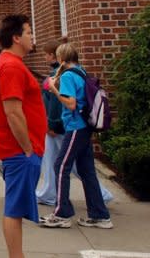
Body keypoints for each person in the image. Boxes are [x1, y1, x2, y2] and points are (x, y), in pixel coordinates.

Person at [0, 15, 47, 258]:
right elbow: (13, 112)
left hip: (19, 149)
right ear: (16, 38)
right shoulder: (11, 66)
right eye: (28, 32)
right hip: (20, 150)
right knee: (14, 209)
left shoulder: (8, 63)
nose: (32, 36)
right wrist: (27, 148)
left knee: (15, 207)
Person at [40, 43, 113, 229]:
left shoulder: (68, 76)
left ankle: (62, 214)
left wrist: (54, 90)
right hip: (85, 126)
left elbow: (71, 103)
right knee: (86, 170)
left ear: (62, 58)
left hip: (75, 127)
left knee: (61, 166)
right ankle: (100, 215)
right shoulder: (81, 71)